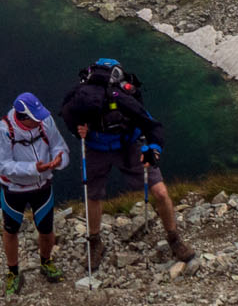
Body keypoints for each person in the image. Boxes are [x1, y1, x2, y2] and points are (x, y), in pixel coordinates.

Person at [60, 58, 195, 266]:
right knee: (93, 195)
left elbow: (151, 126)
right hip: (98, 148)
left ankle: (174, 238)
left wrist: (153, 150)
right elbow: (69, 117)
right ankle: (95, 242)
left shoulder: (121, 99)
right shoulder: (82, 101)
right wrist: (80, 132)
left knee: (159, 191)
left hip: (128, 144)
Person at [0, 92, 70, 294]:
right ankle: (13, 271)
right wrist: (35, 168)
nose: (40, 121)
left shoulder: (45, 121)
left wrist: (60, 159)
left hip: (42, 187)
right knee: (10, 230)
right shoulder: (2, 131)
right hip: (14, 190)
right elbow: (4, 167)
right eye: (35, 118)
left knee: (46, 227)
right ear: (22, 117)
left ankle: (46, 262)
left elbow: (59, 145)